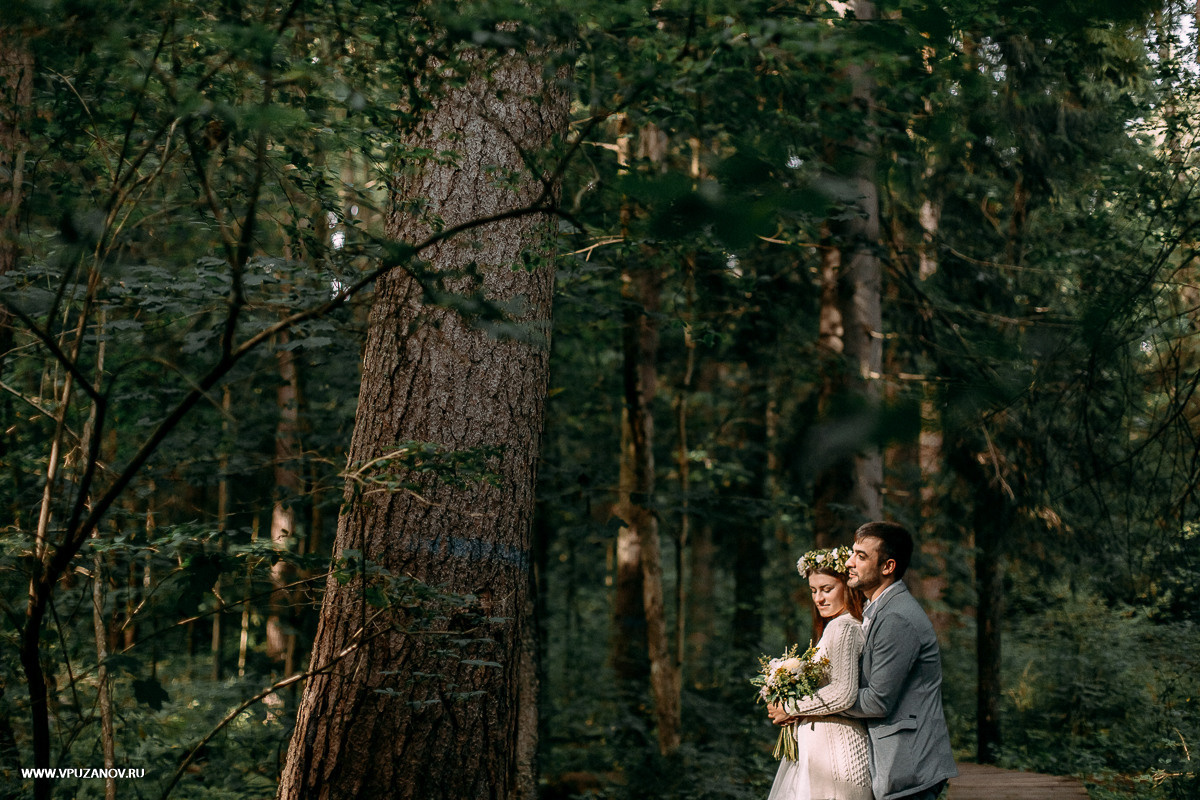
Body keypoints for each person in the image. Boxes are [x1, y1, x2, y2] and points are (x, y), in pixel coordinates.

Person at [841, 521, 957, 800]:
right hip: (900, 767)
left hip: (909, 768)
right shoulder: (877, 608)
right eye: (852, 553)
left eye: (861, 556)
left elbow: (877, 701)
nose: (848, 562)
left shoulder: (896, 618)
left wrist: (821, 703)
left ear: (887, 567)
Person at [765, 546, 873, 800]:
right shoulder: (836, 627)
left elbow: (843, 693)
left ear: (847, 587)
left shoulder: (843, 627)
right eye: (814, 590)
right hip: (823, 752)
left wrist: (790, 708)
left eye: (827, 589)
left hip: (835, 752)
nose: (818, 598)